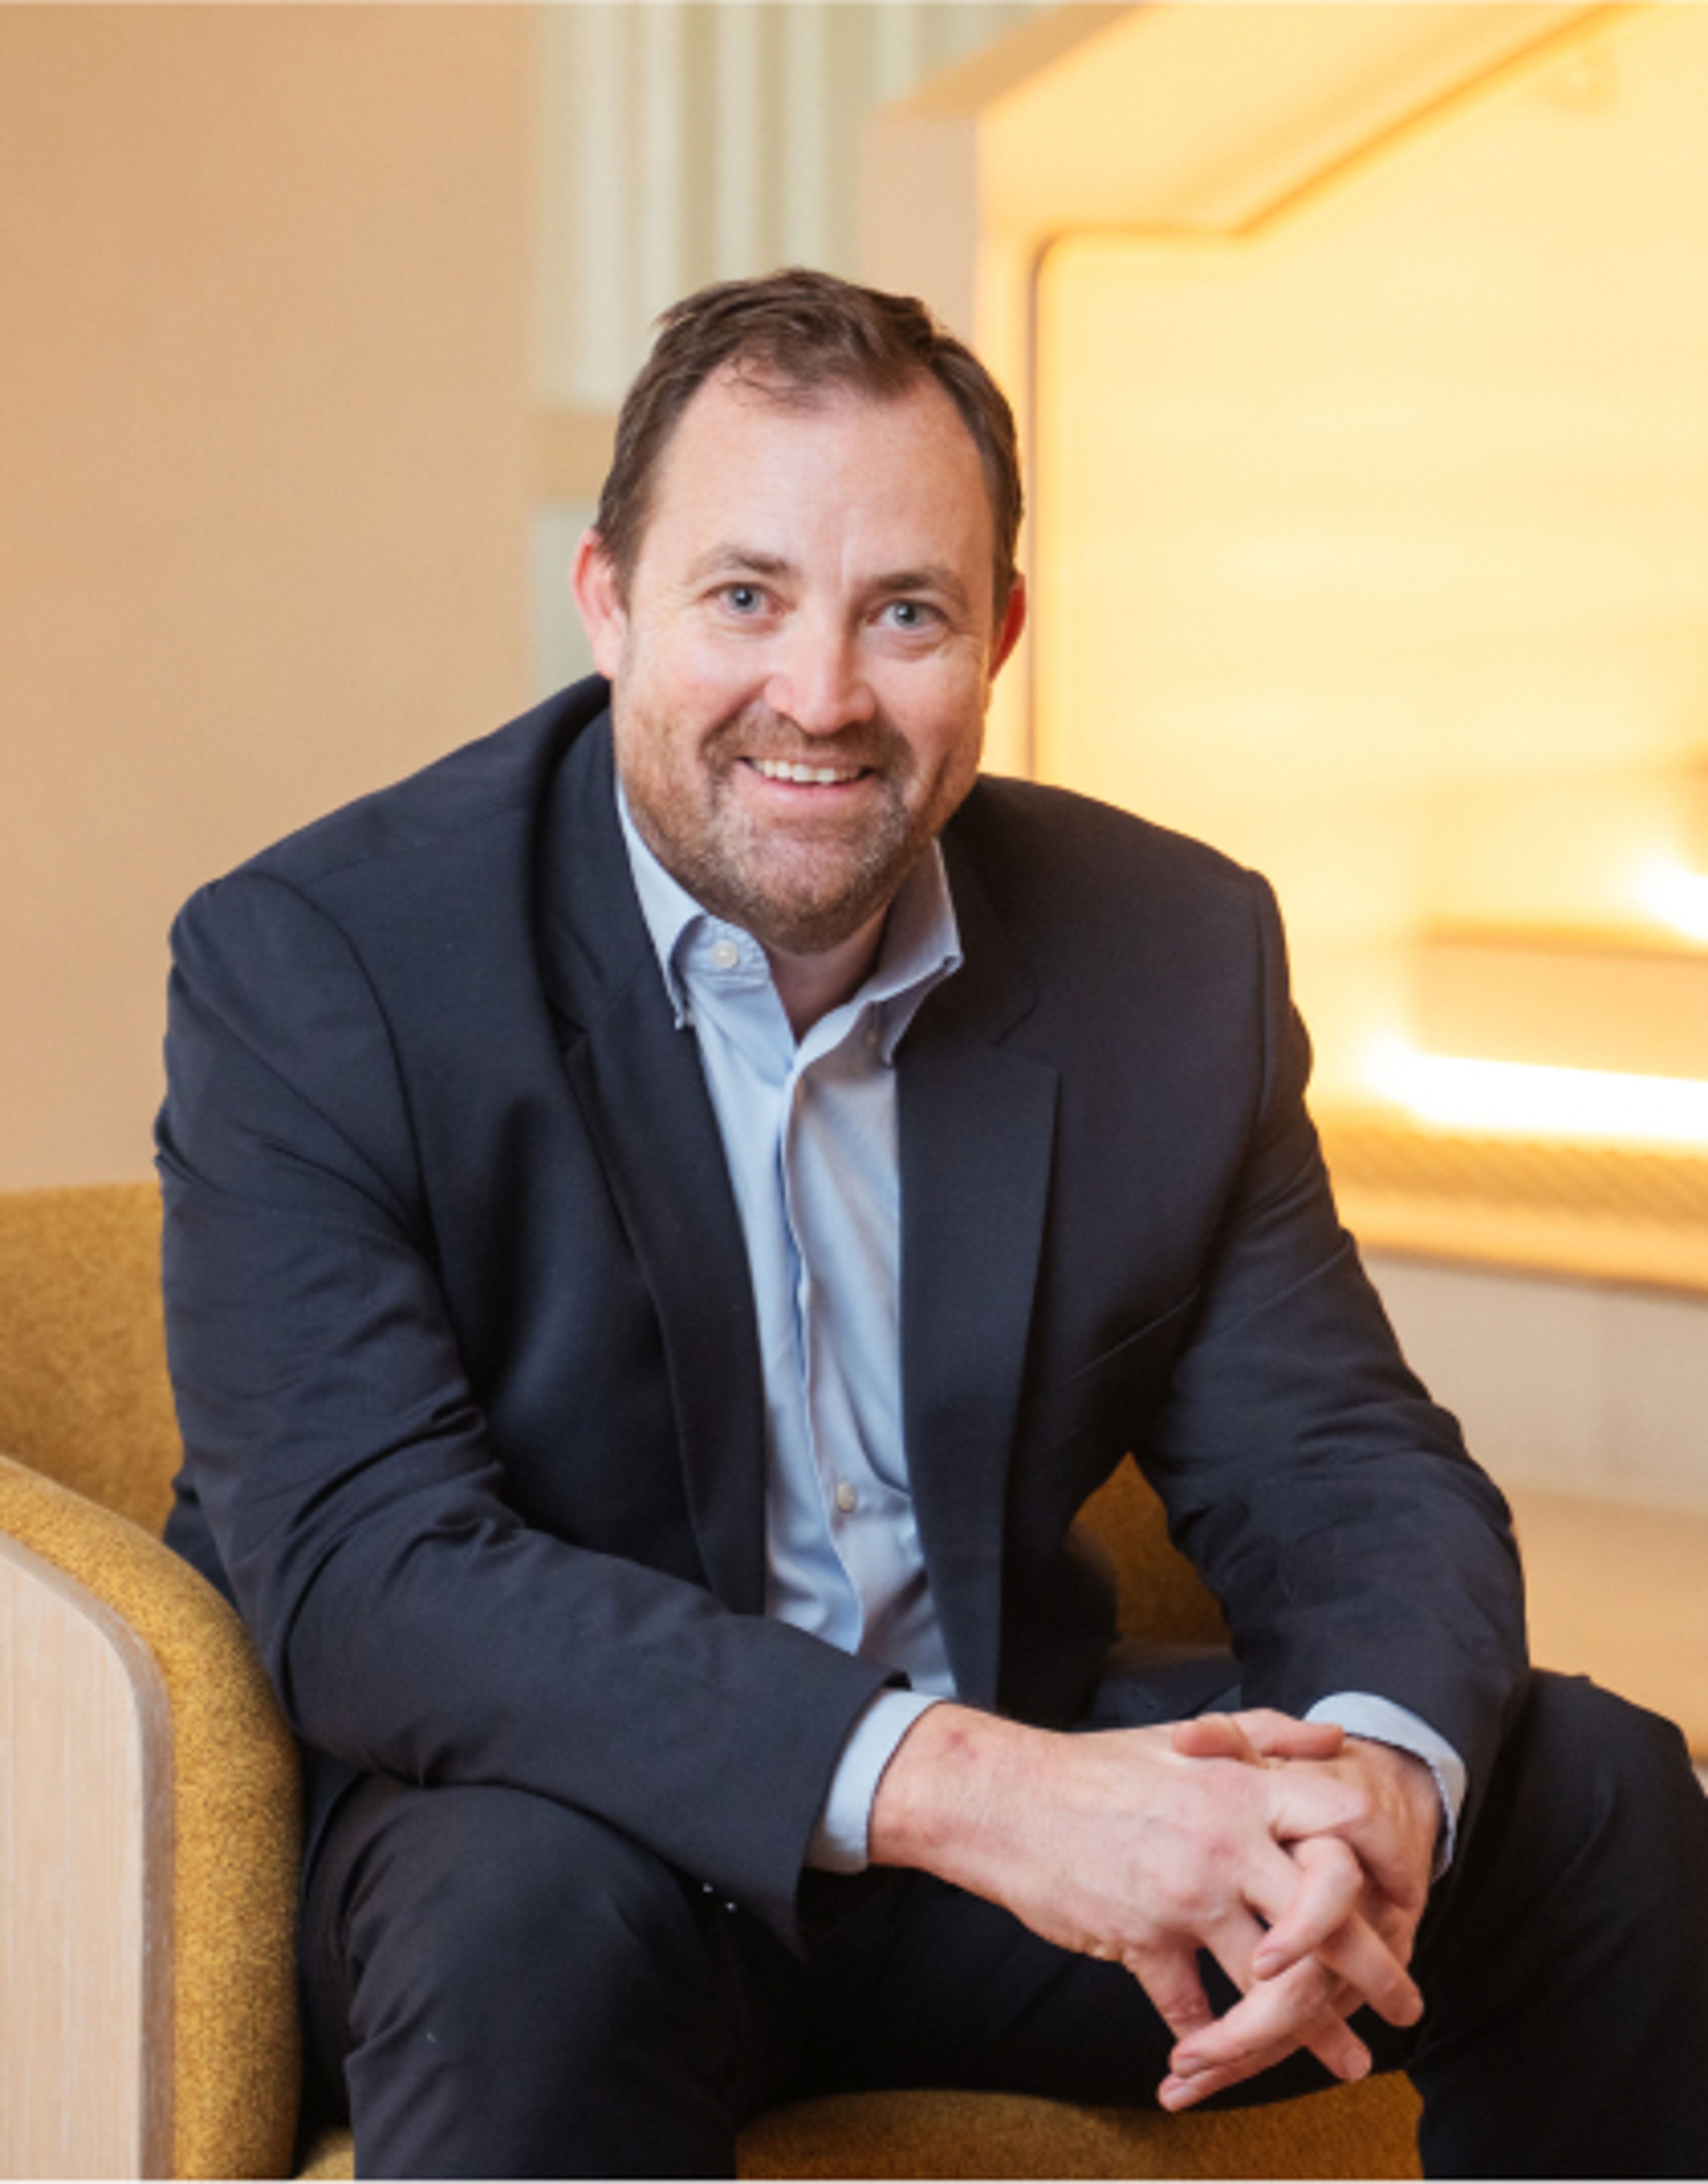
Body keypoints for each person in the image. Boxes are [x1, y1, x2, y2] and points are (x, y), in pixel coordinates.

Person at [157, 268, 1708, 2179]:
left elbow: (1333, 1459)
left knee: (1602, 1795)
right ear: (608, 601)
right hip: (563, 1831)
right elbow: (369, 1571)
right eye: (745, 596)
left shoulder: (1168, 953)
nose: (820, 697)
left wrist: (1378, 1775)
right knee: (521, 1926)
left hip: (1013, 1840)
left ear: (1001, 638)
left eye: (906, 612)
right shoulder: (323, 962)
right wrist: (978, 1790)